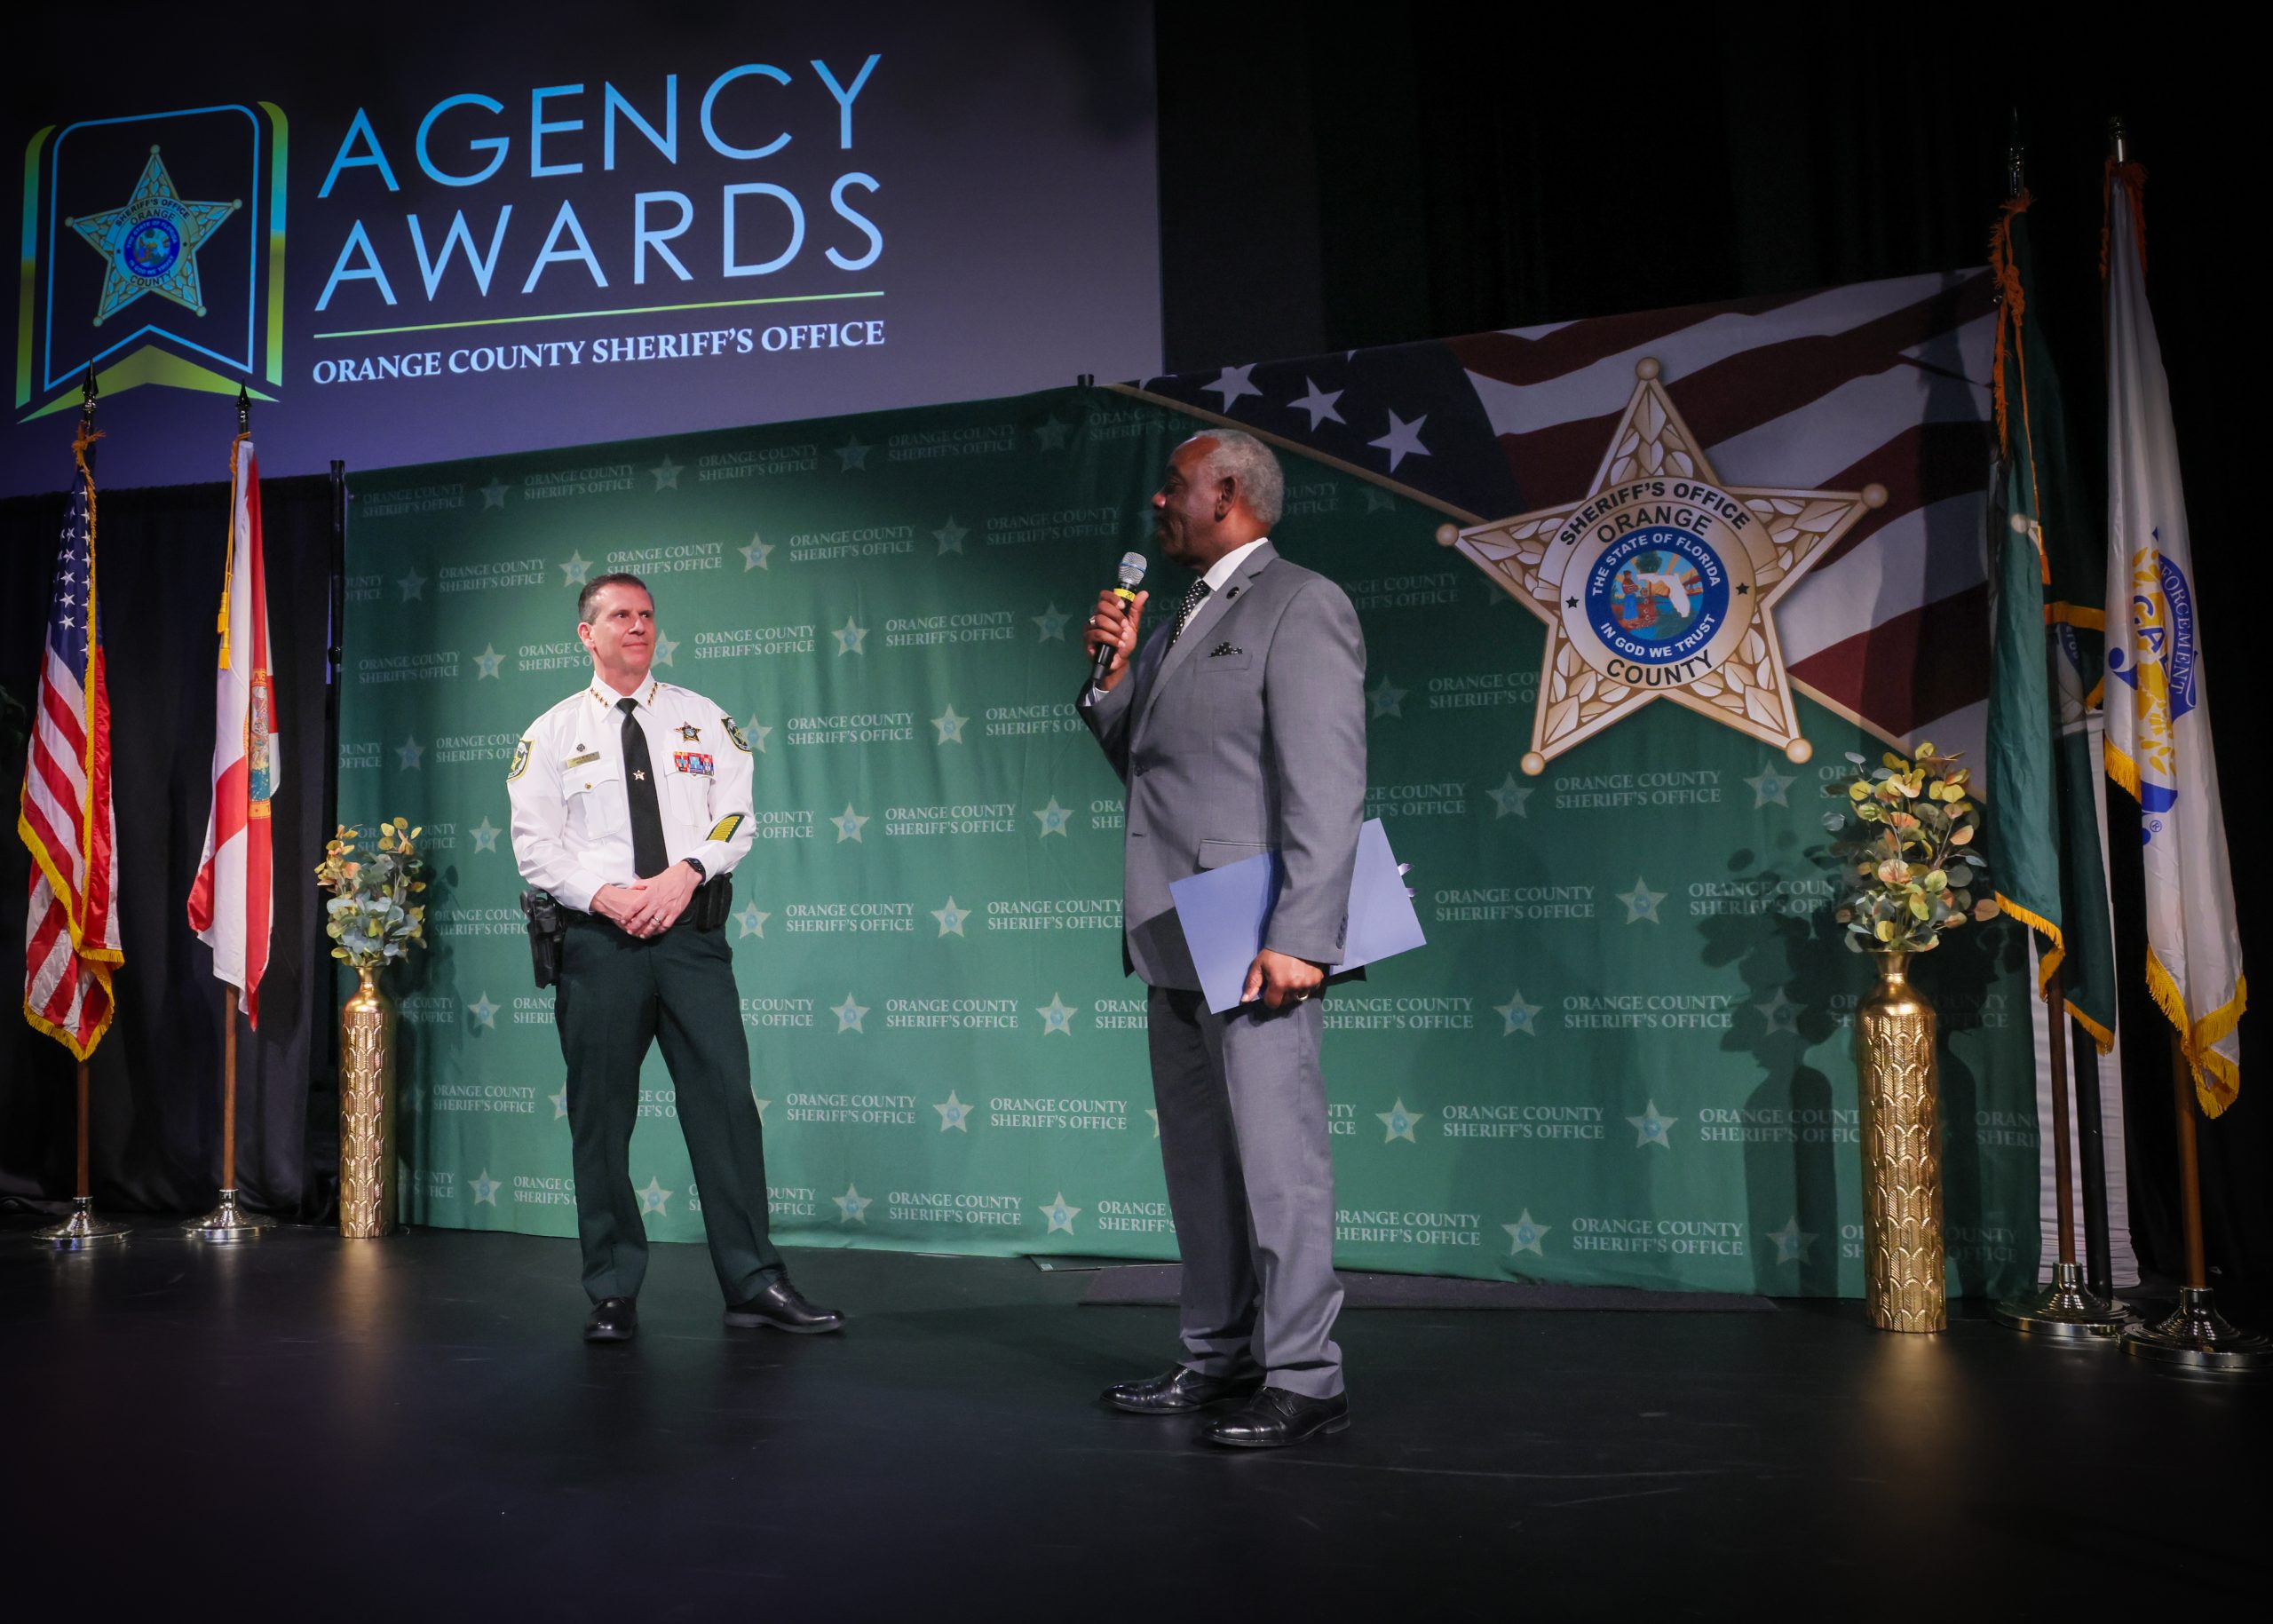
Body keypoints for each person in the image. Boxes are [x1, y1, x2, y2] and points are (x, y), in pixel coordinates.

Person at [1079, 430, 1366, 1448]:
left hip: (1255, 938)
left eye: (1174, 485)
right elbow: (1153, 766)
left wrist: (1304, 935)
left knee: (1278, 1164)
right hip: (1172, 930)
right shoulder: (1176, 620)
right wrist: (1112, 680)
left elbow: (1327, 785)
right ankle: (1217, 1355)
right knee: (1200, 1166)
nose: (1159, 501)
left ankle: (1305, 1375)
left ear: (1228, 492)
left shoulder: (1301, 603)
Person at [507, 572, 842, 1344]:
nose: (638, 626)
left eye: (647, 615)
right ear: (586, 634)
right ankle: (612, 1289)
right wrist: (605, 896)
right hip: (600, 946)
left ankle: (754, 1280)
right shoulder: (549, 734)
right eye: (621, 615)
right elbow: (536, 847)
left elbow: (735, 818)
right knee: (601, 1118)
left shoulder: (704, 719)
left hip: (691, 941)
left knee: (725, 1106)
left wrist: (687, 872)